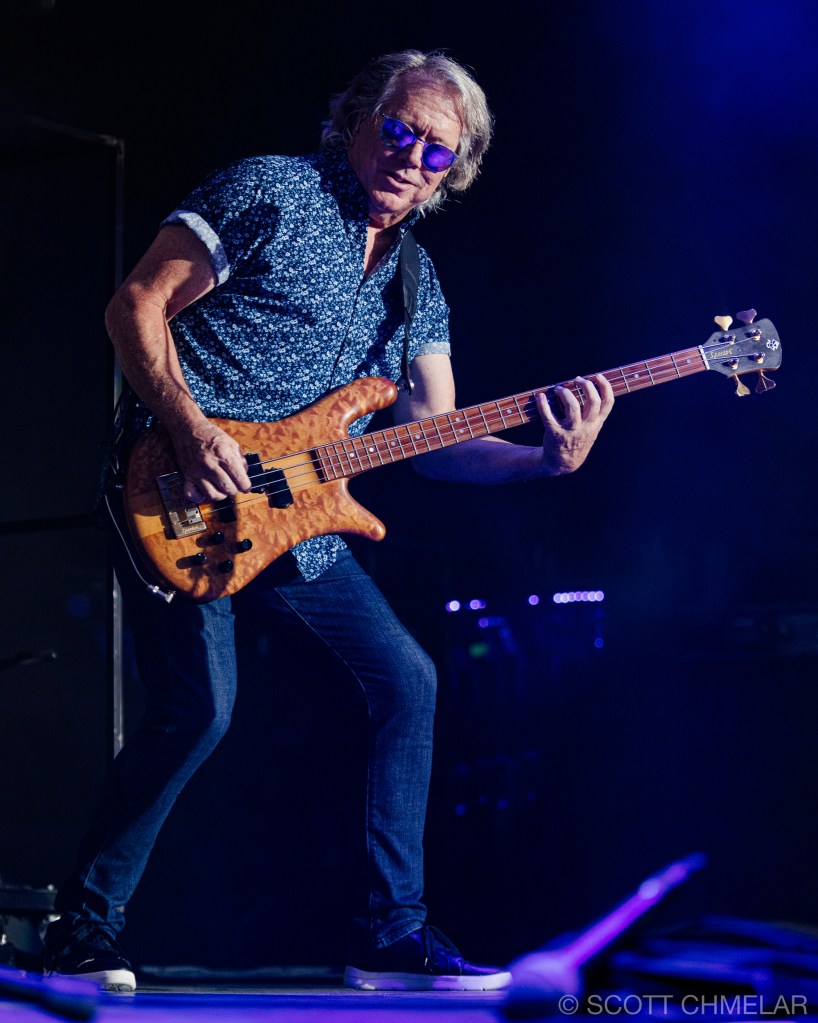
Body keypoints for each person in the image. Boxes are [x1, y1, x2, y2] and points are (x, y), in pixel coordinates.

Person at [42, 48, 614, 993]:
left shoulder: (417, 281)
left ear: (454, 172)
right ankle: (82, 929)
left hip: (297, 517)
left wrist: (543, 461)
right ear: (355, 120)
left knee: (407, 680)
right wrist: (188, 427)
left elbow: (432, 438)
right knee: (200, 707)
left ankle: (390, 934)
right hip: (174, 488)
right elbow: (135, 304)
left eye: (438, 151)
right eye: (398, 130)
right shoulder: (270, 191)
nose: (412, 158)